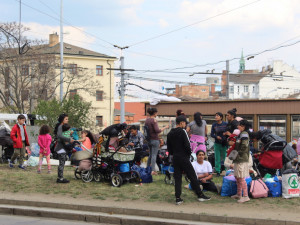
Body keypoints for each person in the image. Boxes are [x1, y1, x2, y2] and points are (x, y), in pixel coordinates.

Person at [167, 115, 211, 205]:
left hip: (175, 157)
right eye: (185, 123)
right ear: (182, 123)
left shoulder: (170, 133)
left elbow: (169, 148)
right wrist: (189, 154)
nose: (185, 125)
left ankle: (178, 198)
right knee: (192, 176)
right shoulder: (183, 131)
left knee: (178, 178)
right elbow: (188, 145)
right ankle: (200, 195)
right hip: (183, 157)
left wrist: (174, 153)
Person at [231, 120, 251, 203]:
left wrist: (238, 154)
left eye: (239, 125)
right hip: (238, 158)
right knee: (237, 176)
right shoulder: (241, 134)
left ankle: (245, 196)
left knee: (241, 177)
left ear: (243, 126)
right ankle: (239, 194)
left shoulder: (244, 134)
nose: (237, 126)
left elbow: (244, 146)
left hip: (241, 158)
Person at [145, 107, 169, 175]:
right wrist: (165, 127)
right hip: (154, 139)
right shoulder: (154, 120)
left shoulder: (147, 120)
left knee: (150, 155)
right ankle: (153, 170)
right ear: (155, 113)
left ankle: (147, 168)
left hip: (149, 140)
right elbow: (157, 131)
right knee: (154, 155)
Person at [54, 113, 74, 183]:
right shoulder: (60, 126)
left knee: (62, 163)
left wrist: (69, 134)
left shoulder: (62, 126)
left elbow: (63, 135)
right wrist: (69, 140)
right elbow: (59, 136)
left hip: (62, 148)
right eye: (66, 119)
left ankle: (60, 177)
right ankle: (60, 178)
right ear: (62, 120)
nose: (67, 120)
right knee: (62, 163)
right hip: (60, 148)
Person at [211, 112, 228, 176]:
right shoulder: (214, 125)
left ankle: (226, 171)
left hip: (224, 143)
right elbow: (212, 134)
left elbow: (228, 132)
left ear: (221, 117)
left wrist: (225, 135)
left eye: (217, 116)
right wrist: (216, 137)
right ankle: (218, 171)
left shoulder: (225, 124)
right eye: (215, 116)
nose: (216, 117)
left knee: (225, 157)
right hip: (217, 143)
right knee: (217, 157)